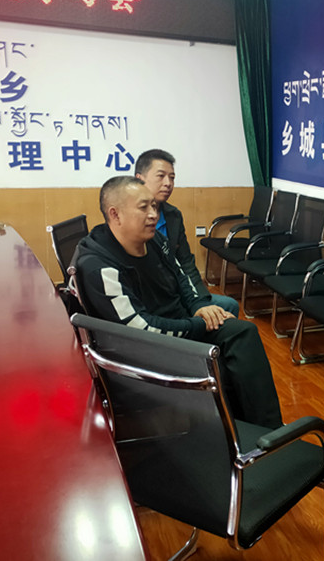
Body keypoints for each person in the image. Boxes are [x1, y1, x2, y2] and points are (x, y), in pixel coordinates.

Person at [76, 175, 283, 429]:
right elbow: (140, 329)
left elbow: (181, 276)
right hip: (148, 348)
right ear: (115, 214)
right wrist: (198, 324)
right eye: (143, 207)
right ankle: (246, 431)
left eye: (154, 206)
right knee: (229, 349)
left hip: (178, 324)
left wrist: (199, 306)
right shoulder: (99, 265)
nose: (153, 214)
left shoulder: (153, 240)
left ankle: (262, 430)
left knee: (242, 333)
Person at [134, 148, 240, 317]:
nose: (168, 183)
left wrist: (200, 301)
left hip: (178, 289)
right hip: (151, 299)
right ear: (140, 179)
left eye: (172, 177)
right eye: (161, 176)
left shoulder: (173, 215)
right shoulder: (129, 217)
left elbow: (186, 262)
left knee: (229, 306)